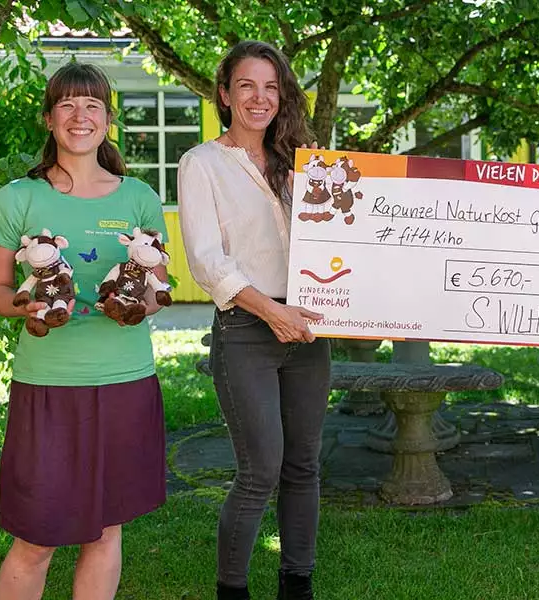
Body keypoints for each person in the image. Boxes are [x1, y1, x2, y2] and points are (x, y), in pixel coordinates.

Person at [0, 62, 169, 600]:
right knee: (36, 537)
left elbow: (158, 284)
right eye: (67, 104)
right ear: (49, 118)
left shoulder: (137, 197)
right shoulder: (18, 197)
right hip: (48, 382)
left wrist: (139, 305)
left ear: (108, 120)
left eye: (92, 106)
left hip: (126, 380)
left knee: (107, 531)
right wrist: (26, 307)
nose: (79, 116)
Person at [177, 41, 330, 600]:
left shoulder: (305, 162)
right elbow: (206, 260)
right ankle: (232, 590)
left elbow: (338, 244)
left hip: (309, 330)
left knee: (304, 465)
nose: (259, 98)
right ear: (225, 93)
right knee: (261, 468)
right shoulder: (201, 164)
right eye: (246, 86)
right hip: (247, 329)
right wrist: (272, 312)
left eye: (270, 87)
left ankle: (297, 583)